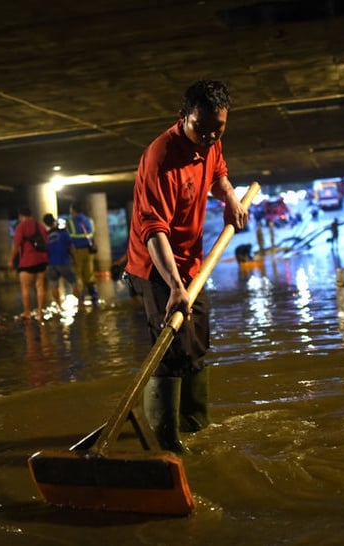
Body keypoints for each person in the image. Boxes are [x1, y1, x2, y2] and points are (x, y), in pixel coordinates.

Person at [125, 79, 247, 452]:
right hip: (155, 265)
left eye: (218, 129)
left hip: (191, 262)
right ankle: (165, 438)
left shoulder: (210, 138)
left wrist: (229, 197)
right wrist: (176, 286)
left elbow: (218, 173)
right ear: (183, 117)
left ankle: (196, 424)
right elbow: (153, 230)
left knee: (197, 341)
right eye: (202, 128)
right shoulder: (160, 157)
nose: (210, 136)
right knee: (171, 345)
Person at [8, 206, 48, 321]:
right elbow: (46, 241)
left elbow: (16, 245)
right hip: (41, 260)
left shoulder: (21, 227)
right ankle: (40, 313)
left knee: (25, 287)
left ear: (21, 216)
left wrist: (11, 260)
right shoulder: (40, 226)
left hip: (27, 261)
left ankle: (27, 313)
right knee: (40, 286)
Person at [42, 213, 81, 308]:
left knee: (53, 285)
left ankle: (59, 306)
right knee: (73, 282)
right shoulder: (63, 233)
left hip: (51, 264)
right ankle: (81, 305)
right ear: (54, 221)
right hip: (63, 262)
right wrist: (75, 260)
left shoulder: (46, 236)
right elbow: (71, 247)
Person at [66, 200, 98, 306]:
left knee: (78, 275)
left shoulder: (70, 222)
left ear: (73, 210)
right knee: (89, 274)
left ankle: (81, 300)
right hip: (89, 251)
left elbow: (68, 238)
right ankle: (94, 299)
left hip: (77, 251)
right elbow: (92, 235)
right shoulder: (89, 220)